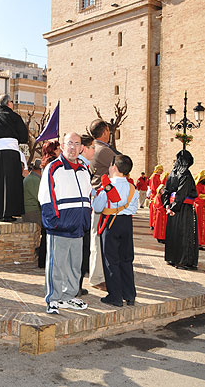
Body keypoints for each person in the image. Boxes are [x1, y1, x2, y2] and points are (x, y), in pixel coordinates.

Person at [38, 132, 92, 315]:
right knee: (56, 265)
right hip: (59, 227)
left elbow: (88, 197)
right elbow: (45, 197)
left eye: (77, 144)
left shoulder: (84, 170)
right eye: (70, 143)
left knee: (74, 266)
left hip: (78, 227)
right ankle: (53, 299)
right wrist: (53, 222)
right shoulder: (53, 168)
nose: (73, 147)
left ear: (81, 148)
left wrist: (86, 221)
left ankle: (69, 296)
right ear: (63, 145)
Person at [92, 154, 139, 307]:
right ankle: (129, 294)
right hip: (126, 223)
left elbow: (98, 207)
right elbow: (134, 208)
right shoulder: (132, 187)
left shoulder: (108, 186)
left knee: (111, 260)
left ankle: (115, 296)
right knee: (126, 259)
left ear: (114, 167)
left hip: (110, 223)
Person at [0, 94, 29, 222]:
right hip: (11, 152)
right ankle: (9, 213)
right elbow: (23, 136)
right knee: (11, 182)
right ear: (9, 103)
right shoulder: (14, 116)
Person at [87, 119, 118, 287]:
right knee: (99, 239)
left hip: (97, 198)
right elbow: (122, 165)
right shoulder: (104, 151)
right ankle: (98, 277)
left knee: (98, 238)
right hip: (103, 199)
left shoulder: (93, 149)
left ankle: (100, 274)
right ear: (105, 131)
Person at [162, 150, 198, 270]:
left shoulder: (172, 173)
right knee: (184, 233)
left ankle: (171, 257)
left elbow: (166, 191)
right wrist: (174, 207)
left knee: (173, 233)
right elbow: (182, 193)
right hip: (183, 208)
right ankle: (182, 260)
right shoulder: (186, 174)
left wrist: (168, 206)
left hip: (173, 208)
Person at [37, 140, 62, 268]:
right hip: (52, 201)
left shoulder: (45, 163)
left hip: (46, 202)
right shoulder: (53, 164)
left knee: (46, 233)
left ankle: (43, 260)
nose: (61, 150)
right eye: (58, 148)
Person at [77, 134, 96, 295]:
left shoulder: (84, 165)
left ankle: (77, 285)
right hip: (80, 215)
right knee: (80, 251)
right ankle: (75, 286)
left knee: (83, 251)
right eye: (92, 147)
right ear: (84, 149)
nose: (94, 151)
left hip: (83, 213)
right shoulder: (80, 166)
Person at [22, 159, 42, 224]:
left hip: (29, 211)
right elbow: (40, 198)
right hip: (33, 212)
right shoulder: (34, 180)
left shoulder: (30, 178)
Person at [148, 165, 164, 229]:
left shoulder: (157, 176)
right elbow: (153, 187)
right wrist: (157, 193)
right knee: (153, 211)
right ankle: (152, 224)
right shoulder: (154, 176)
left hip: (158, 194)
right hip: (154, 195)